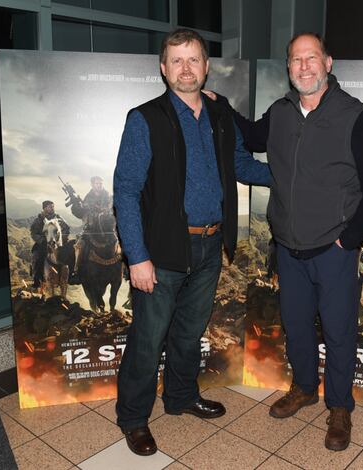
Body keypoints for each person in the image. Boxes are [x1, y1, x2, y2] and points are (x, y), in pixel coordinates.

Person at [214, 32, 363, 451]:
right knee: (296, 328)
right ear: (289, 68)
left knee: (339, 332)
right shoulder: (281, 112)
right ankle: (305, 388)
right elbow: (254, 138)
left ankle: (340, 408)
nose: (304, 66)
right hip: (288, 250)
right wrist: (223, 107)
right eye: (296, 60)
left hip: (334, 251)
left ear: (328, 63)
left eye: (312, 58)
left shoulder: (358, 116)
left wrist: (348, 242)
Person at [113, 28, 271, 457]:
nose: (186, 68)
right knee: (149, 338)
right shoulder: (144, 118)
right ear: (164, 69)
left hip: (209, 246)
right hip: (162, 252)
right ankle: (133, 419)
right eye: (177, 61)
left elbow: (240, 163)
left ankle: (181, 397)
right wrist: (137, 257)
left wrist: (288, 175)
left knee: (188, 332)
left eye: (194, 59)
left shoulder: (221, 116)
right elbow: (126, 190)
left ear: (206, 66)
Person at [69, 176, 112, 284]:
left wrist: (103, 211)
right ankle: (76, 271)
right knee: (79, 245)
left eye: (101, 183)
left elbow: (111, 208)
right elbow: (81, 213)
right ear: (92, 185)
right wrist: (75, 205)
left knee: (122, 240)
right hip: (90, 228)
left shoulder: (107, 196)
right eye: (97, 183)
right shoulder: (88, 197)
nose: (99, 185)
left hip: (107, 226)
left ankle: (127, 269)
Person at [30, 200, 70, 288]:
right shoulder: (39, 220)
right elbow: (33, 233)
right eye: (50, 207)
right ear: (44, 208)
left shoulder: (58, 217)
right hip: (43, 243)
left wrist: (61, 238)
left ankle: (72, 275)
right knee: (36, 256)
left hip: (58, 242)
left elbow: (66, 228)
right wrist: (42, 240)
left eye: (53, 206)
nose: (52, 208)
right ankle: (37, 279)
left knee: (71, 253)